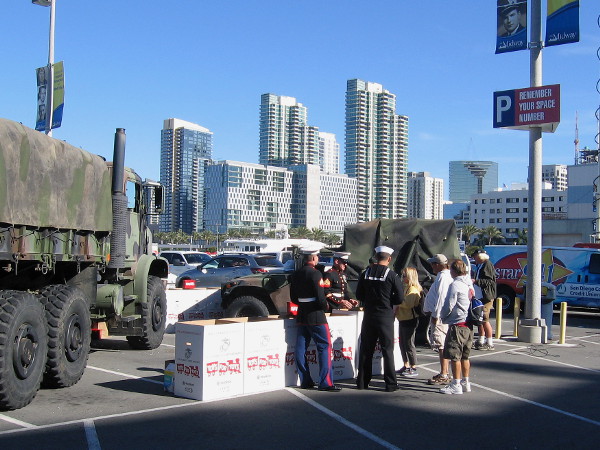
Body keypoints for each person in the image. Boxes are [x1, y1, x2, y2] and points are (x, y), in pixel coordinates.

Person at [290, 249, 341, 392]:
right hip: (316, 315)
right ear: (313, 258)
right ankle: (326, 382)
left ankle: (305, 380)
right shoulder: (316, 273)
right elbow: (320, 298)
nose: (318, 258)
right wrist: (325, 306)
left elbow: (294, 298)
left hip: (302, 314)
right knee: (324, 347)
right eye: (317, 256)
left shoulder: (296, 274)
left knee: (301, 348)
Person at [355, 245, 404, 392]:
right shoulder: (392, 275)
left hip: (369, 315)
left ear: (376, 257)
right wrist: (390, 300)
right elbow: (400, 298)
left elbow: (359, 295)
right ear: (389, 259)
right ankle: (390, 384)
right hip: (385, 316)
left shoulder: (365, 273)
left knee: (366, 349)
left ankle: (362, 382)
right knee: (387, 350)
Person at [439, 259, 475, 395]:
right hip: (469, 323)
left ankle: (456, 384)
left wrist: (443, 316)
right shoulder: (469, 284)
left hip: (457, 324)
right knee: (465, 356)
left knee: (455, 356)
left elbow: (449, 304)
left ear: (453, 271)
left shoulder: (455, 285)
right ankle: (466, 382)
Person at [422, 254, 453, 386]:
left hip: (440, 316)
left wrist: (436, 315)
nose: (432, 266)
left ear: (440, 265)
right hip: (440, 315)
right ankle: (444, 372)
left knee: (441, 345)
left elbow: (441, 298)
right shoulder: (443, 276)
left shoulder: (444, 277)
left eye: (434, 263)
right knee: (441, 345)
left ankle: (444, 373)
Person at [395, 267, 422, 378]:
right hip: (402, 318)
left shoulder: (413, 290)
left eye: (405, 276)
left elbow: (407, 304)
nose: (403, 278)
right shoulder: (407, 288)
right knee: (402, 344)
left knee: (409, 344)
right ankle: (405, 364)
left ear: (410, 277)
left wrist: (397, 301)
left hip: (410, 319)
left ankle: (413, 366)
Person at [472, 249, 497, 351]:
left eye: (475, 256)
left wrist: (476, 281)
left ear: (480, 257)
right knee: (479, 318)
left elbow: (489, 281)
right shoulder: (480, 265)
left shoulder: (487, 265)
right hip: (480, 296)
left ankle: (490, 342)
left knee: (484, 319)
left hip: (486, 296)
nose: (474, 258)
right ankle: (481, 340)